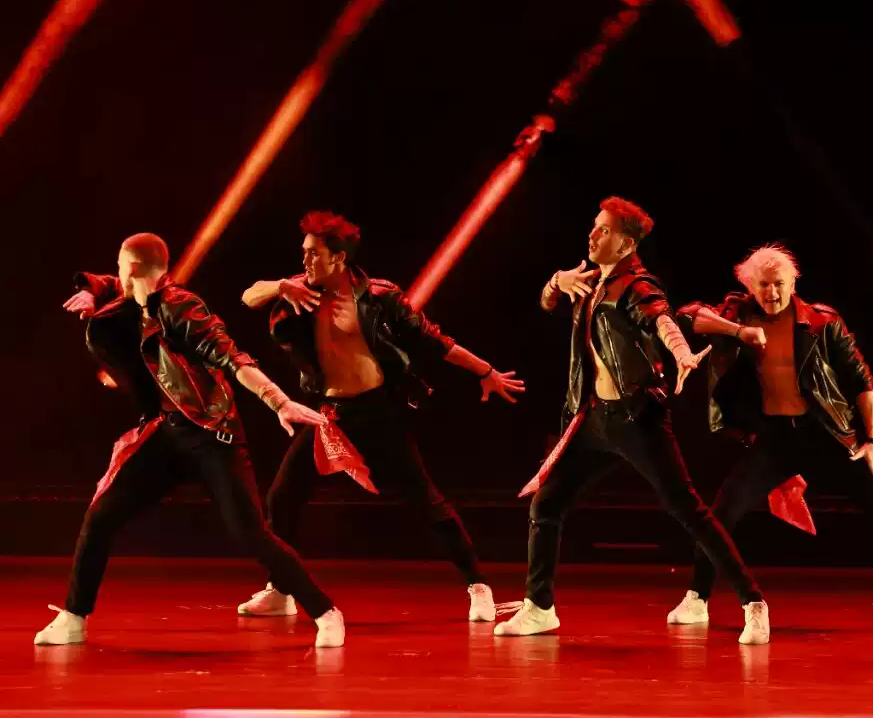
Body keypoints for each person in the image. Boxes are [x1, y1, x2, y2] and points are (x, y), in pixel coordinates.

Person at [45, 233, 345, 647]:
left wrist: (278, 400)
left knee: (250, 533)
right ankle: (73, 617)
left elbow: (231, 356)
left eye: (119, 265)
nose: (115, 273)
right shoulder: (137, 296)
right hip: (167, 432)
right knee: (101, 516)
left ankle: (326, 612)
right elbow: (112, 284)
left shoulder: (181, 307)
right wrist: (91, 289)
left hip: (212, 435)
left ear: (133, 268)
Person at [494, 197, 771, 644]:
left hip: (635, 420)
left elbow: (661, 319)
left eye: (604, 230)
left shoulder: (637, 285)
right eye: (594, 226)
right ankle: (539, 608)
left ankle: (753, 603)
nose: (592, 235)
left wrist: (681, 354)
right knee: (546, 505)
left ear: (625, 244)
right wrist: (557, 281)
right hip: (591, 420)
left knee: (689, 511)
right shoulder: (590, 282)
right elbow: (547, 303)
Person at [235, 211, 524, 622]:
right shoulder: (298, 292)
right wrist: (282, 285)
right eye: (304, 253)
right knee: (281, 497)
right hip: (329, 417)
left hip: (378, 413)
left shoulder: (378, 296)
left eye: (313, 254)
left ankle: (479, 587)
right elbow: (249, 296)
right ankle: (281, 590)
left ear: (338, 258)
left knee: (426, 500)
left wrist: (486, 371)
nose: (305, 261)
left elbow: (433, 339)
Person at [665, 244, 873, 630]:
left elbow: (861, 380)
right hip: (774, 438)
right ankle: (697, 598)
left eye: (779, 284)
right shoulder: (738, 315)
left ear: (793, 284)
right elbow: (686, 315)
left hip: (826, 434)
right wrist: (739, 331)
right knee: (722, 514)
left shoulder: (821, 321)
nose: (772, 293)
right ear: (750, 286)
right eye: (763, 285)